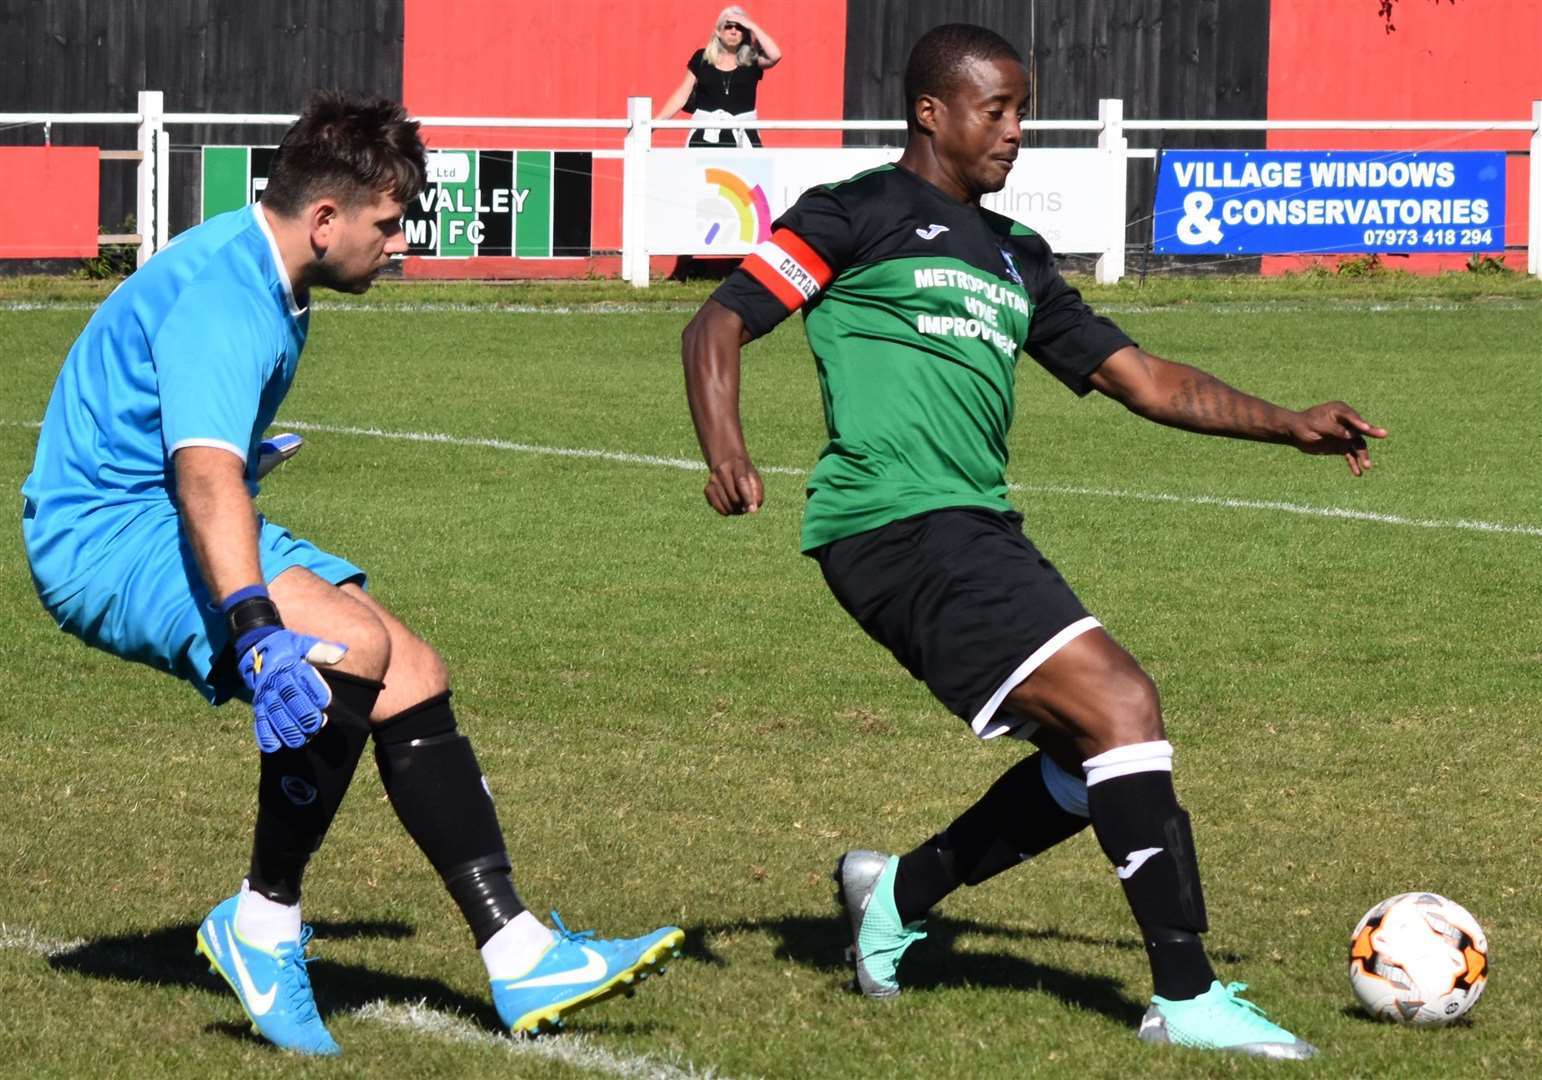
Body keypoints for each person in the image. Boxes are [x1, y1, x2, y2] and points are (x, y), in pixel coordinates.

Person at [680, 23, 1387, 1062]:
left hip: (974, 525)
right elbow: (719, 323)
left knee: (1083, 755)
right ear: (932, 112)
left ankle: (899, 893)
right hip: (890, 525)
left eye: (1023, 111)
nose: (1016, 131)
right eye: (996, 109)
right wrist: (727, 448)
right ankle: (1184, 996)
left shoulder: (1017, 255)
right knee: (1122, 704)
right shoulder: (857, 211)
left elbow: (1140, 378)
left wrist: (1287, 422)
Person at [20, 92, 683, 1056]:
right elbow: (202, 471)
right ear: (325, 219)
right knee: (349, 649)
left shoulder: (264, 273)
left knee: (411, 669)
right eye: (390, 220)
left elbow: (202, 453)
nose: (402, 240)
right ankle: (261, 922)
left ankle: (518, 947)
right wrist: (254, 626)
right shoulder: (229, 296)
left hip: (163, 507)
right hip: (103, 537)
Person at [655, 6, 782, 148]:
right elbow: (682, 95)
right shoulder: (702, 58)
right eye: (728, 26)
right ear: (718, 32)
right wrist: (655, 124)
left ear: (745, 33)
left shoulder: (752, 60)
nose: (734, 31)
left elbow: (775, 55)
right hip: (705, 138)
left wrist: (752, 25)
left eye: (740, 28)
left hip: (743, 137)